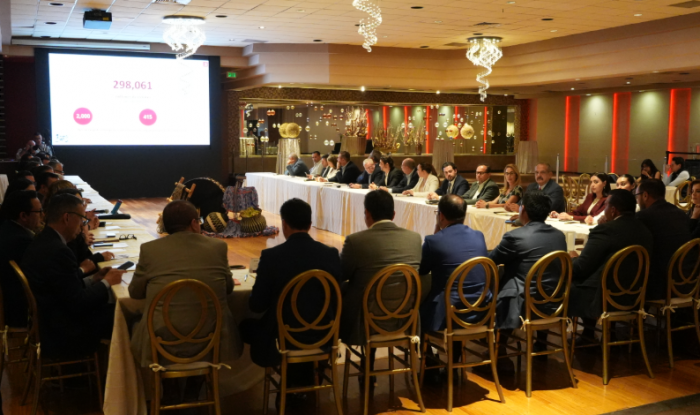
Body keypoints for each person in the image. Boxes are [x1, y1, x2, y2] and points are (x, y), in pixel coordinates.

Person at [130, 200, 240, 366]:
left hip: (162, 341)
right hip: (212, 339)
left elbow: (135, 293)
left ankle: (161, 378)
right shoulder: (218, 247)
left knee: (134, 322)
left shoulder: (149, 250)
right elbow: (228, 288)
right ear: (194, 223)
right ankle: (200, 378)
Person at [241, 198, 341, 370]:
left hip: (283, 338)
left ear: (284, 224)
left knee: (244, 326)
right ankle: (311, 370)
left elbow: (257, 305)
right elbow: (336, 298)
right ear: (310, 225)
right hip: (323, 334)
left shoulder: (272, 257)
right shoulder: (330, 254)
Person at [21, 194, 125, 359]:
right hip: (64, 331)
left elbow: (65, 287)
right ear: (67, 218)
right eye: (82, 219)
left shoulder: (43, 239)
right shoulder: (59, 251)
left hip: (48, 320)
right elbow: (79, 302)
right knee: (123, 312)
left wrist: (94, 279)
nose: (83, 225)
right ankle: (122, 372)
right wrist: (106, 282)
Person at [488, 191, 566, 368]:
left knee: (505, 280)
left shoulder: (515, 236)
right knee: (540, 279)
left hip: (524, 303)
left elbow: (492, 260)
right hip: (554, 300)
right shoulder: (559, 235)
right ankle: (541, 343)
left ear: (523, 210)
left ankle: (500, 351)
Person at [339, 190, 422, 346]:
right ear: (394, 214)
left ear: (367, 213)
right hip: (404, 317)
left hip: (364, 321)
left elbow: (341, 274)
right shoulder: (415, 238)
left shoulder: (356, 241)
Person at [568, 190, 653, 339]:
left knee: (569, 280)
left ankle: (586, 335)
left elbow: (581, 267)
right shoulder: (644, 230)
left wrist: (572, 258)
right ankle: (604, 335)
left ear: (613, 210)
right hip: (635, 294)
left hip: (604, 297)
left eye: (606, 206)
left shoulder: (605, 231)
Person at [419, 195, 488, 332]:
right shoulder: (479, 235)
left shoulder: (434, 241)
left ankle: (423, 346)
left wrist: (436, 231)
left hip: (448, 313)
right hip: (481, 308)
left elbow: (422, 270)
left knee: (417, 308)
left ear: (441, 216)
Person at [635, 179, 691, 299]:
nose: (637, 200)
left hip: (659, 285)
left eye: (637, 196)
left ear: (645, 195)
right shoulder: (681, 214)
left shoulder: (643, 217)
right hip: (687, 279)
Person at [0, 191, 42, 328]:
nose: (42, 215)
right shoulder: (21, 241)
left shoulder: (8, 228)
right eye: (39, 212)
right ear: (23, 216)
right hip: (20, 310)